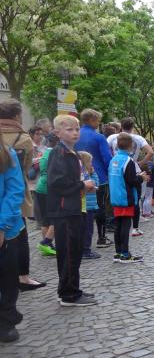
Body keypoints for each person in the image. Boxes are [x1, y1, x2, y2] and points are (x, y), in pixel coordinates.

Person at [46, 115, 97, 306]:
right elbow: (57, 183)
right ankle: (69, 295)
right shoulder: (58, 153)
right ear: (58, 133)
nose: (75, 133)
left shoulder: (72, 152)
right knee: (68, 253)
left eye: (76, 129)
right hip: (64, 211)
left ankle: (72, 288)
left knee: (75, 251)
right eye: (69, 129)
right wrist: (82, 185)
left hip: (74, 208)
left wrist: (85, 186)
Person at [0, 100, 46, 291]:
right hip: (14, 190)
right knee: (19, 235)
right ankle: (22, 277)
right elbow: (26, 168)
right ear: (18, 115)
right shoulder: (23, 138)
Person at [0, 133, 25, 342]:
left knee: (7, 276)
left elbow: (15, 190)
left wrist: (1, 226)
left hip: (5, 228)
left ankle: (6, 319)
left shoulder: (6, 153)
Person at [75, 109, 113, 248]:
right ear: (91, 120)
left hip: (78, 176)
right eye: (98, 120)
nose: (99, 123)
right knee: (100, 206)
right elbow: (107, 158)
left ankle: (81, 240)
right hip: (98, 176)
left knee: (81, 207)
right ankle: (101, 238)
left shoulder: (76, 135)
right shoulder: (99, 137)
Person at [109, 133, 146, 263]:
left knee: (118, 226)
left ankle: (118, 252)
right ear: (131, 146)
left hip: (115, 197)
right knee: (125, 225)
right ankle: (125, 253)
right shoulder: (128, 161)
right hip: (125, 197)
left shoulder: (113, 160)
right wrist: (141, 177)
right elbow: (132, 181)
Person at [77, 152, 101, 260]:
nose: (92, 163)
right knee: (88, 229)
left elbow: (96, 184)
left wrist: (93, 173)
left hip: (89, 205)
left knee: (87, 229)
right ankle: (86, 250)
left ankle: (84, 249)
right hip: (87, 206)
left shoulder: (88, 173)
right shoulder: (84, 174)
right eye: (90, 161)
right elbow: (94, 185)